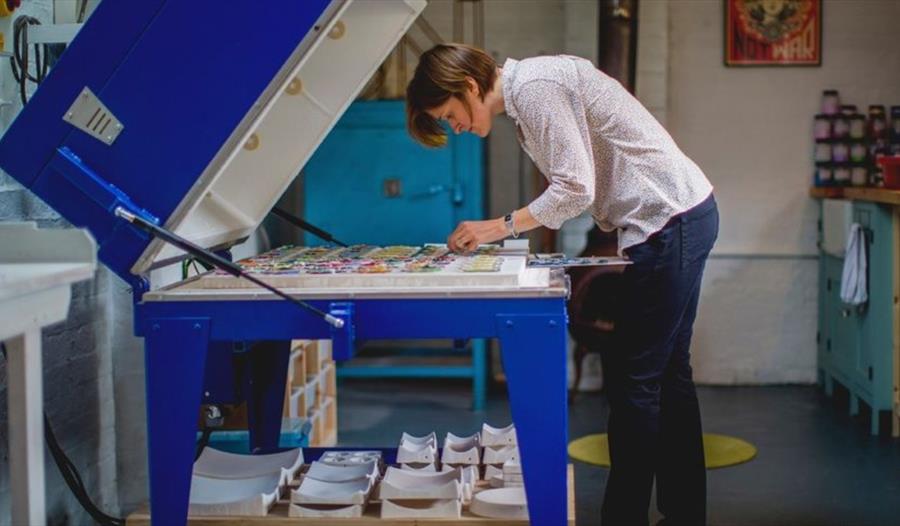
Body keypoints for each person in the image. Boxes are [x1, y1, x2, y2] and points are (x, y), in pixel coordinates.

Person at [406, 43, 718, 526]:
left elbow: (576, 189)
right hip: (680, 215)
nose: (457, 127)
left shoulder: (534, 88)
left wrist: (496, 227)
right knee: (667, 375)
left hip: (668, 221)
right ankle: (685, 514)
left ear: (469, 87)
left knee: (634, 381)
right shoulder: (530, 91)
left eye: (450, 115)